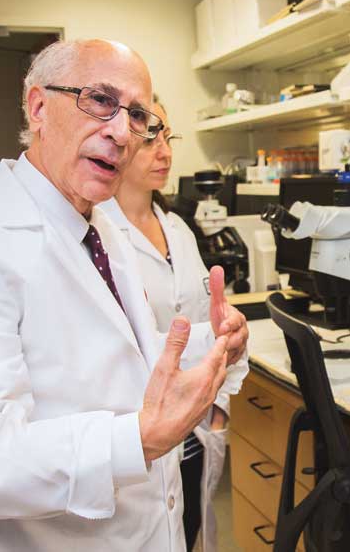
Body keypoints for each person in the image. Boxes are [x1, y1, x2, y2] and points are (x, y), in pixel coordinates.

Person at [0, 39, 249, 551]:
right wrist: (137, 440)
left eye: (137, 114)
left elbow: (117, 360)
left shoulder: (102, 230)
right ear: (37, 108)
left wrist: (215, 342)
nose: (122, 132)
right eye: (99, 100)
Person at [101, 97, 246, 552]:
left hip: (196, 432)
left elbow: (208, 321)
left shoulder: (178, 229)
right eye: (149, 140)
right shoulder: (98, 234)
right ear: (118, 144)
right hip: (136, 444)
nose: (164, 152)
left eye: (168, 138)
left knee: (188, 534)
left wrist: (217, 407)